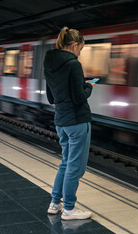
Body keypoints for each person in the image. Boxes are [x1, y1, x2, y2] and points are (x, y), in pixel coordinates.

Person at [44, 26, 95, 220]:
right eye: (80, 48)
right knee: (75, 167)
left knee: (65, 163)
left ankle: (54, 203)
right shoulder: (74, 64)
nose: (79, 52)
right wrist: (89, 87)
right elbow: (79, 97)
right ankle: (69, 209)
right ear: (74, 45)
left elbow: (51, 97)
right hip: (77, 120)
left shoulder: (49, 63)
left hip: (61, 121)